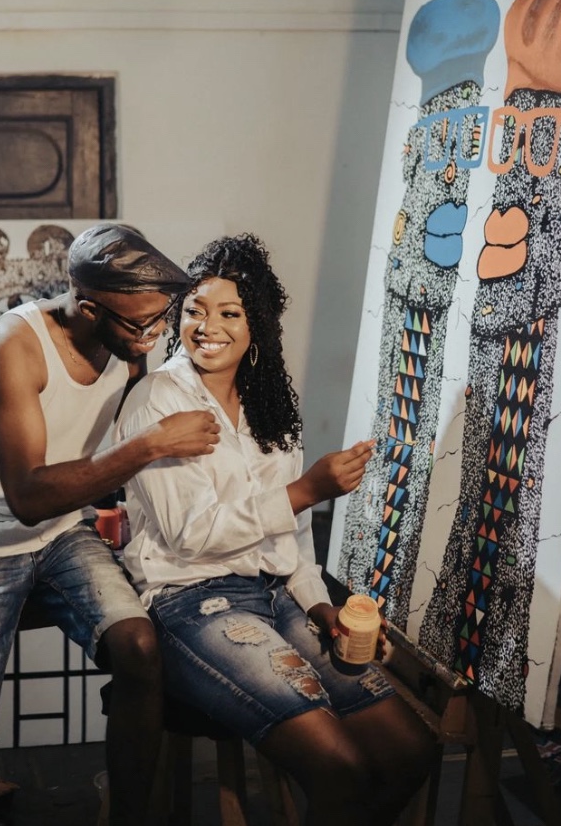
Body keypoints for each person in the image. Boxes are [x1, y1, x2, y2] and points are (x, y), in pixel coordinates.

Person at [115, 233, 436, 826]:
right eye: (195, 310)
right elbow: (190, 535)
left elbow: (293, 543)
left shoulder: (271, 409)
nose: (208, 327)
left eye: (230, 314)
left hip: (280, 597)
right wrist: (306, 489)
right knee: (340, 768)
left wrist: (320, 607)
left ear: (256, 326)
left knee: (410, 751)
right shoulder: (156, 399)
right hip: (193, 604)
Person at [0, 223, 221, 826]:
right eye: (141, 324)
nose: (154, 334)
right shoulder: (14, 345)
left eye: (161, 318)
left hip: (63, 534)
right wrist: (151, 445)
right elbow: (27, 496)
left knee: (139, 649)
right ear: (88, 308)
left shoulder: (129, 339)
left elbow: (105, 448)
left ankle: (125, 815)